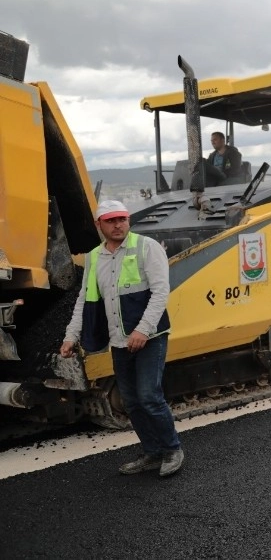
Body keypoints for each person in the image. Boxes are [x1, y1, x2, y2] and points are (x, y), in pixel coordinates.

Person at [60, 199, 184, 477]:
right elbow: (85, 300)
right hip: (119, 341)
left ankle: (172, 449)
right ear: (98, 224)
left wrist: (143, 330)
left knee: (149, 396)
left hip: (150, 336)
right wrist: (71, 336)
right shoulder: (94, 257)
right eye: (111, 220)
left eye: (122, 219)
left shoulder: (146, 247)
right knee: (131, 401)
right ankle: (152, 453)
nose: (118, 225)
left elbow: (161, 292)